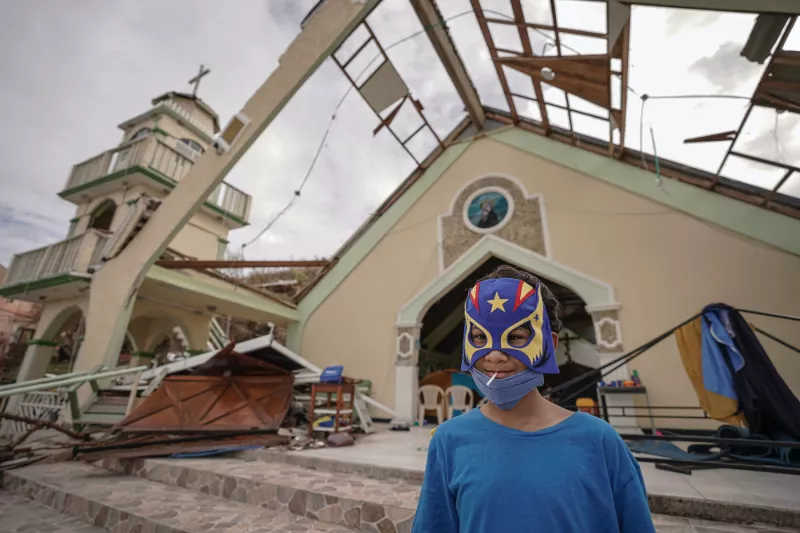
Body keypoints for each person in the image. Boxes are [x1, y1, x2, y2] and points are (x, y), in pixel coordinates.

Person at [411, 265, 655, 533]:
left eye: (515, 337)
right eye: (480, 337)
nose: (494, 356)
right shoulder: (448, 441)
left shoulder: (600, 441)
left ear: (548, 344)